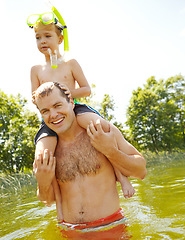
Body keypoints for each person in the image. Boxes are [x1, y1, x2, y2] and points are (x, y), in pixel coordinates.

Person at [27, 11, 135, 221]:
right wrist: (45, 102)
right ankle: (59, 209)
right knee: (43, 157)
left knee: (100, 129)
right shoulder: (36, 69)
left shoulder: (71, 63)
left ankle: (123, 179)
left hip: (75, 108)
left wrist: (68, 94)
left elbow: (86, 89)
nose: (42, 41)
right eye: (38, 38)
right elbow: (34, 97)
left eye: (47, 36)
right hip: (52, 118)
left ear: (60, 39)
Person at [32, 82, 147, 238]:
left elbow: (141, 170)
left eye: (58, 105)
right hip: (71, 232)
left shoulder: (99, 132)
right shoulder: (49, 151)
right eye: (45, 111)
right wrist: (43, 182)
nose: (53, 115)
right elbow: (47, 200)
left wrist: (110, 150)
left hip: (112, 227)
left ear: (71, 102)